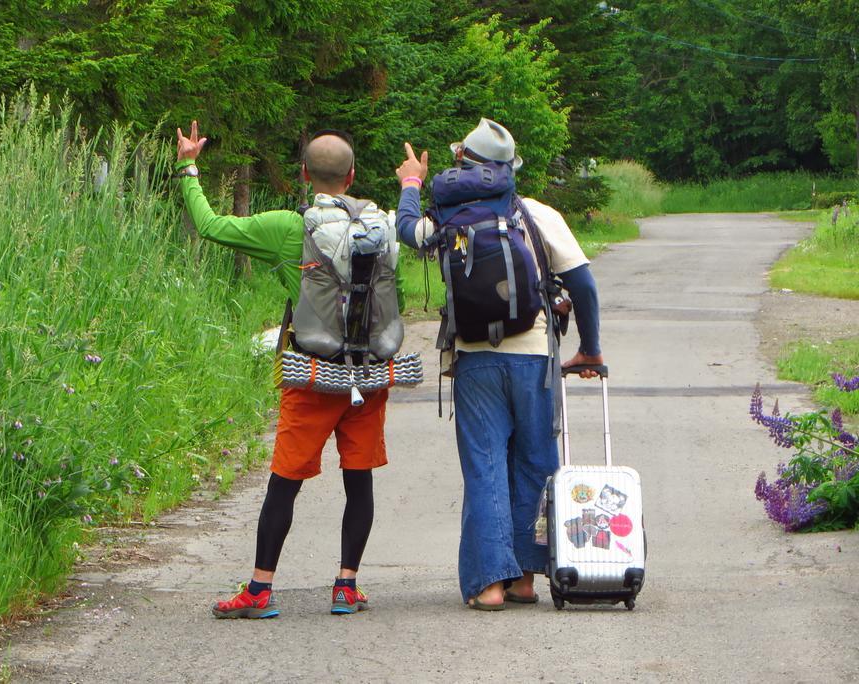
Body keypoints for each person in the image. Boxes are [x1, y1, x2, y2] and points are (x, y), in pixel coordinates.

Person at [173, 121, 399, 618]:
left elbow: (211, 227)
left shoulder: (288, 228)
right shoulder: (380, 226)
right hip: (369, 376)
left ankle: (259, 590)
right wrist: (411, 186)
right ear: (352, 174)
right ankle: (346, 586)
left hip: (312, 375)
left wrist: (190, 165)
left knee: (285, 481)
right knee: (358, 480)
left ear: (303, 175)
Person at [393, 118, 604, 610]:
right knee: (535, 462)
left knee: (485, 465)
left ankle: (489, 584)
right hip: (532, 356)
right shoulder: (536, 215)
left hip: (474, 359)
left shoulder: (449, 217)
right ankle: (526, 579)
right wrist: (589, 348)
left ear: (463, 165)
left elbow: (408, 231)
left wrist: (410, 183)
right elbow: (584, 287)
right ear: (509, 170)